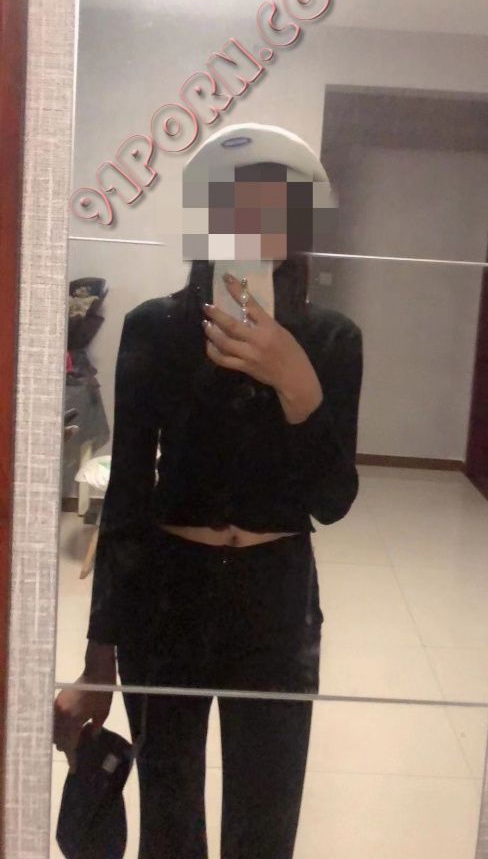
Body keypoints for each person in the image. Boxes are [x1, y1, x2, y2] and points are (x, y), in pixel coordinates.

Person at [54, 123, 364, 859]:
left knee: (265, 823)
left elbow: (331, 501)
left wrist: (297, 385)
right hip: (169, 597)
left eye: (278, 208)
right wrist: (98, 659)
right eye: (238, 205)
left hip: (276, 599)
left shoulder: (331, 340)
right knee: (169, 822)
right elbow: (128, 498)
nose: (257, 224)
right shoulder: (155, 330)